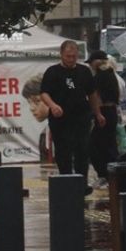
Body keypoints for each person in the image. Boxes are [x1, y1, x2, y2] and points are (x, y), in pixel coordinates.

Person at [38, 40, 103, 178]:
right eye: (68, 56)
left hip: (81, 117)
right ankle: (66, 181)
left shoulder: (84, 71)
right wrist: (53, 105)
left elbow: (92, 94)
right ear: (61, 54)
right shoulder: (52, 72)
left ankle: (82, 182)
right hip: (60, 120)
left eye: (74, 56)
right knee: (63, 152)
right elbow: (44, 93)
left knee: (82, 151)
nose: (71, 59)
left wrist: (98, 113)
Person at [86, 50, 120, 187]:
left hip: (103, 112)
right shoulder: (111, 74)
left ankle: (104, 175)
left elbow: (96, 97)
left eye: (91, 62)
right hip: (111, 112)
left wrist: (96, 113)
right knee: (109, 144)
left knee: (95, 145)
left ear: (97, 62)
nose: (90, 66)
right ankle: (112, 176)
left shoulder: (101, 76)